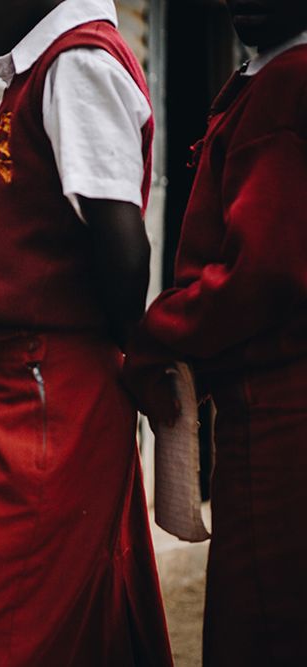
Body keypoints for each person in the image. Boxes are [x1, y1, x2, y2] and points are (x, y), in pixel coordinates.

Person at [0, 0, 173, 665]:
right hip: (25, 383)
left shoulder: (77, 63)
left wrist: (134, 358)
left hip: (42, 385)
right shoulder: (47, 69)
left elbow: (123, 246)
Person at [125, 1, 307, 663]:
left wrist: (161, 334)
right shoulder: (266, 76)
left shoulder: (288, 83)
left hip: (278, 400)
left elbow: (261, 270)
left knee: (266, 608)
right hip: (266, 390)